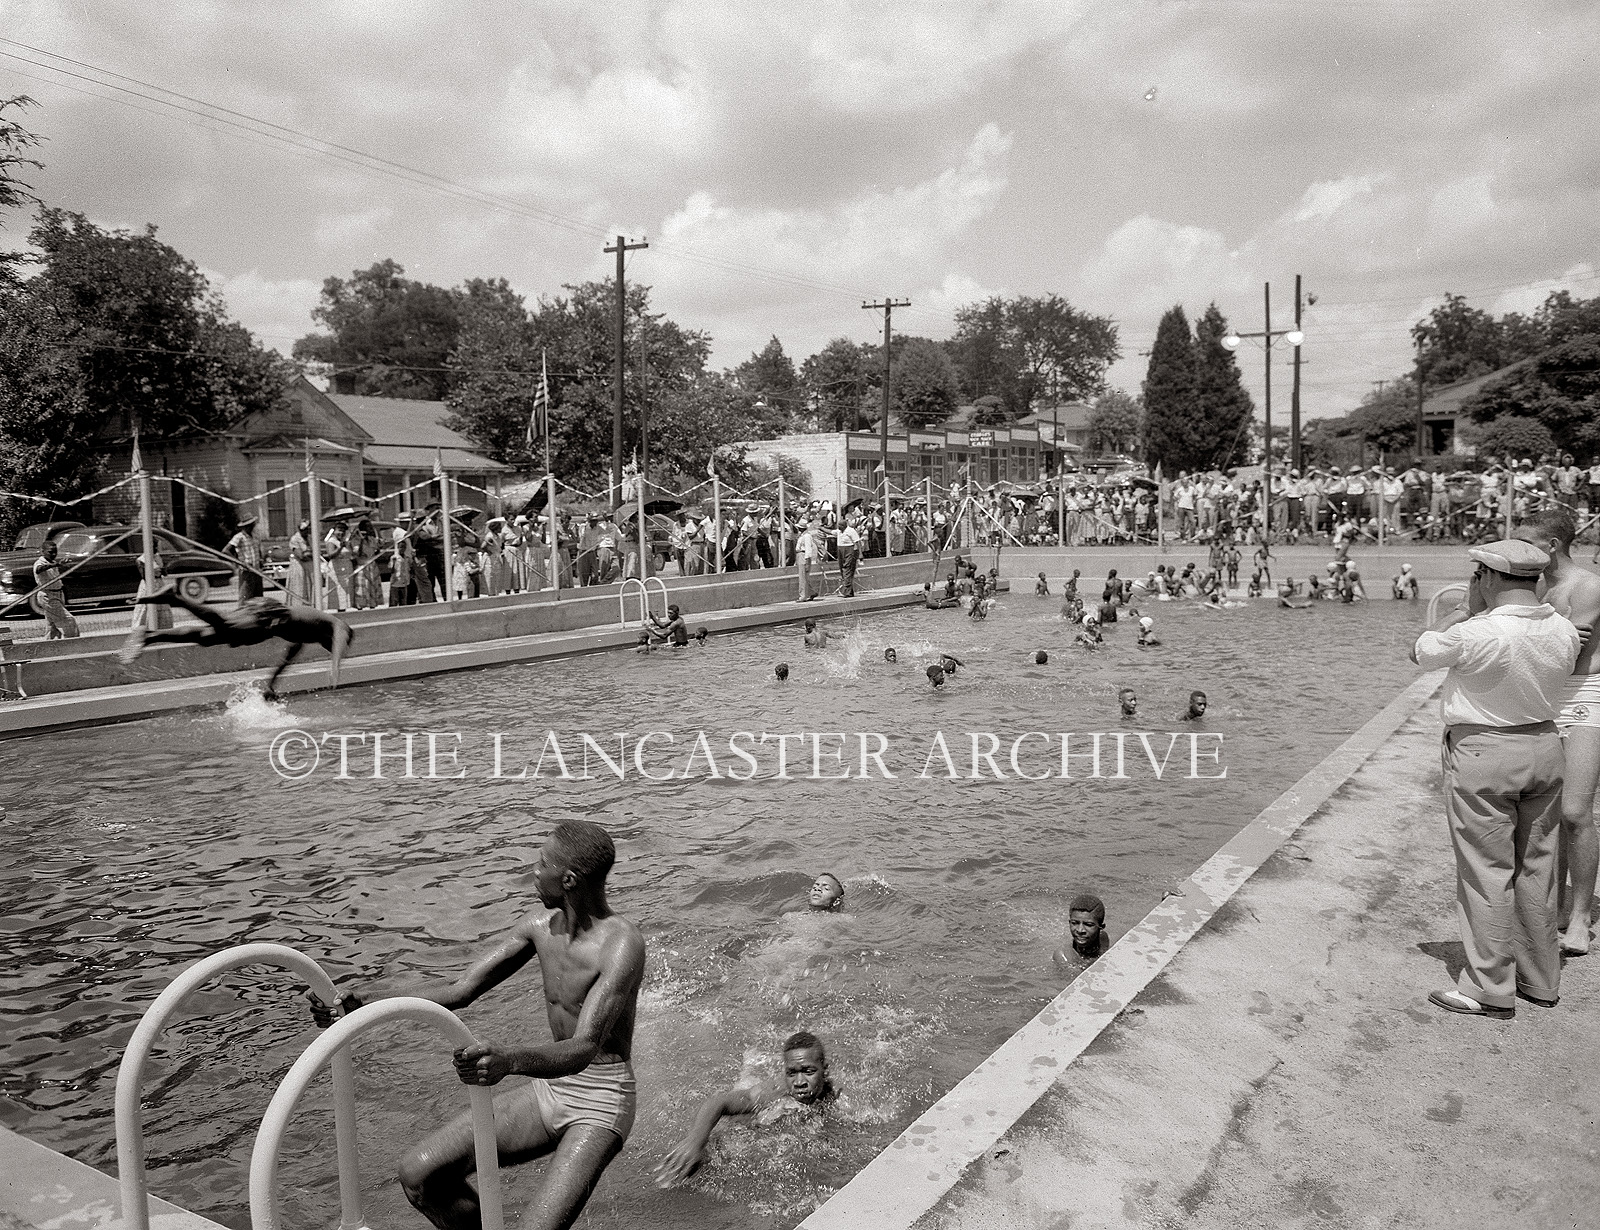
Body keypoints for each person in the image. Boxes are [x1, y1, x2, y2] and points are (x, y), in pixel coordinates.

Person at [307, 821, 644, 1230]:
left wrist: (510, 1060)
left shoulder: (621, 944)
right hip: (553, 1087)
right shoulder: (538, 927)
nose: (533, 873)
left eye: (542, 864)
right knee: (420, 1176)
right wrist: (364, 1002)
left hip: (602, 1099)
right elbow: (461, 988)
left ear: (569, 879)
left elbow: (585, 1047)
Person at [1410, 539, 1578, 1018]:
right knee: (1539, 868)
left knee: (1486, 872)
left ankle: (1490, 988)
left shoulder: (1476, 632)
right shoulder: (1563, 629)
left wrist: (1461, 610)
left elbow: (1419, 652)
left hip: (1485, 752)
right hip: (1545, 746)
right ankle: (1540, 980)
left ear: (1486, 577)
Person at [1515, 508, 1600, 955]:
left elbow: (1566, 651)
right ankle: (1556, 906)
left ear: (1551, 545)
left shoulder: (1588, 586)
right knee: (1546, 812)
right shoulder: (1534, 585)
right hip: (1547, 695)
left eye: (1526, 542)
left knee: (1575, 811)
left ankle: (1581, 915)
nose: (1518, 550)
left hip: (1586, 693)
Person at [653, 1031, 835, 1188]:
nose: (799, 1082)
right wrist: (695, 1142)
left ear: (825, 1070)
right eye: (791, 1073)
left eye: (808, 1071)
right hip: (745, 1127)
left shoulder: (837, 1096)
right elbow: (719, 1103)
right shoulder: (773, 1093)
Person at [120, 589, 353, 699]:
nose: (329, 647)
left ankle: (150, 636)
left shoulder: (306, 636)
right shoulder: (337, 626)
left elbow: (285, 663)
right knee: (224, 625)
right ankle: (175, 598)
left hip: (266, 623)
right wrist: (335, 667)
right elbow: (341, 640)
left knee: (208, 637)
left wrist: (271, 687)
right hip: (268, 613)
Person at [32, 540, 80, 639]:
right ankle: (73, 643)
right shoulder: (39, 563)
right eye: (50, 552)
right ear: (42, 551)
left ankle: (48, 644)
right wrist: (55, 565)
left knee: (52, 625)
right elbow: (39, 569)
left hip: (58, 594)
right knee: (68, 620)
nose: (53, 554)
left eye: (55, 552)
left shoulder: (53, 562)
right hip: (48, 596)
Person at [1053, 895, 1110, 969]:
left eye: (1088, 925)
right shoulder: (1063, 957)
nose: (1080, 930)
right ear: (1069, 923)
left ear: (1101, 927)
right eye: (1074, 923)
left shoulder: (1103, 938)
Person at [225, 516, 264, 601]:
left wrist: (261, 560)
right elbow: (226, 550)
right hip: (246, 571)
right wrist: (239, 562)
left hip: (257, 570)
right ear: (244, 527)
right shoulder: (239, 537)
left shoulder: (255, 536)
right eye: (248, 526)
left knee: (258, 597)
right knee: (245, 596)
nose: (251, 527)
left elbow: (258, 549)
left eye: (252, 525)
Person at [836, 514, 862, 597]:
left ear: (844, 526)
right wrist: (821, 528)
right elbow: (830, 532)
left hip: (849, 551)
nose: (838, 527)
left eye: (840, 525)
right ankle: (849, 591)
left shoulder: (851, 531)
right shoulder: (839, 532)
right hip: (841, 550)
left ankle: (846, 591)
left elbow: (857, 542)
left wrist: (859, 554)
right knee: (843, 570)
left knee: (847, 569)